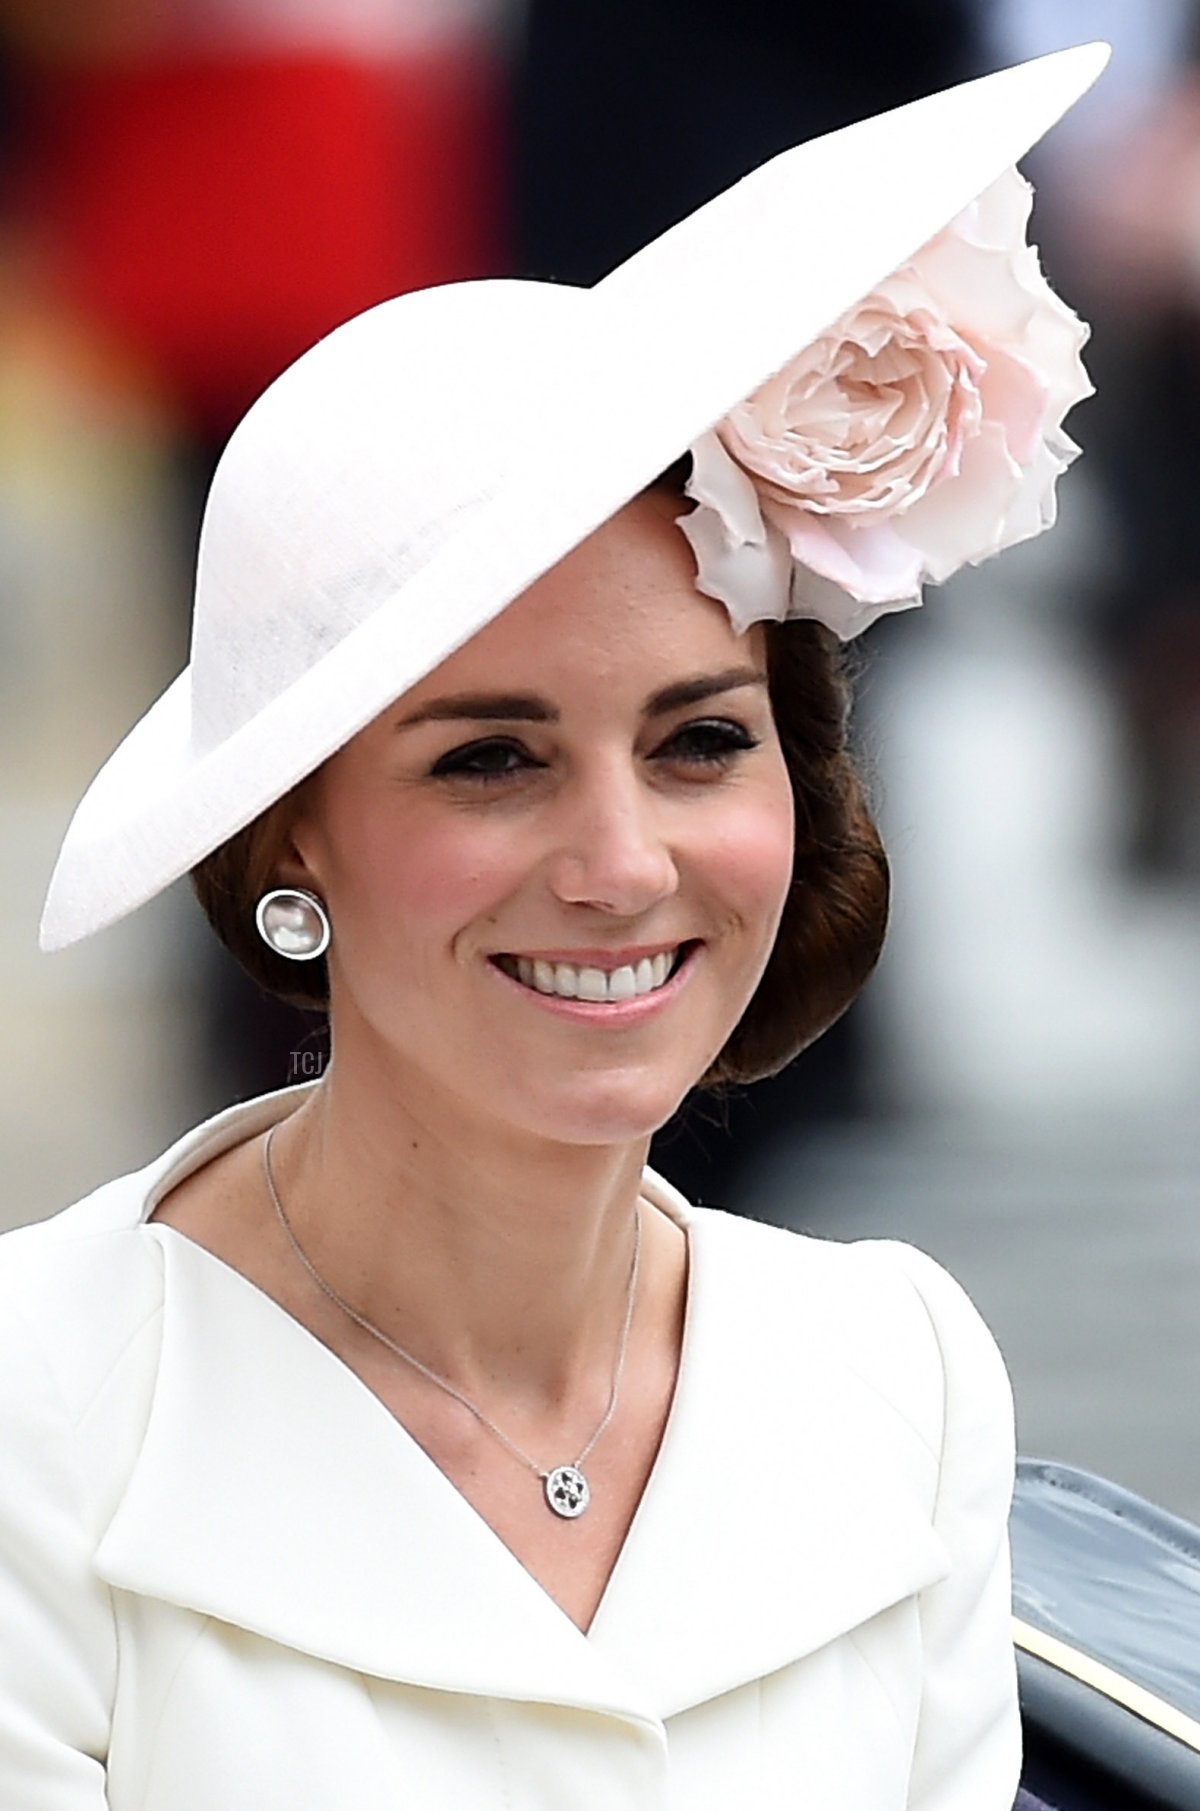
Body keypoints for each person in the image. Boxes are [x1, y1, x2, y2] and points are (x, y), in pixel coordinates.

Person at [1, 43, 1106, 1811]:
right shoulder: (38, 1409)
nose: (618, 862)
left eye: (698, 743)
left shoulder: (898, 1368)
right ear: (290, 831)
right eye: (492, 761)